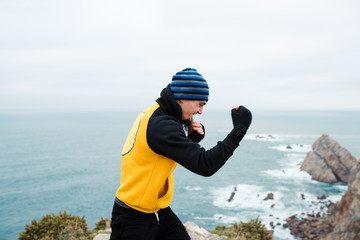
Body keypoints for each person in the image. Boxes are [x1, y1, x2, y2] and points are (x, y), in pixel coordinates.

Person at [110, 67, 252, 240]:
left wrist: (190, 138)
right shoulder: (161, 125)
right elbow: (205, 165)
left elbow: (161, 151)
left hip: (157, 212)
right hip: (132, 218)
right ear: (183, 98)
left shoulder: (156, 113)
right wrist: (239, 130)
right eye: (200, 104)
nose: (200, 111)